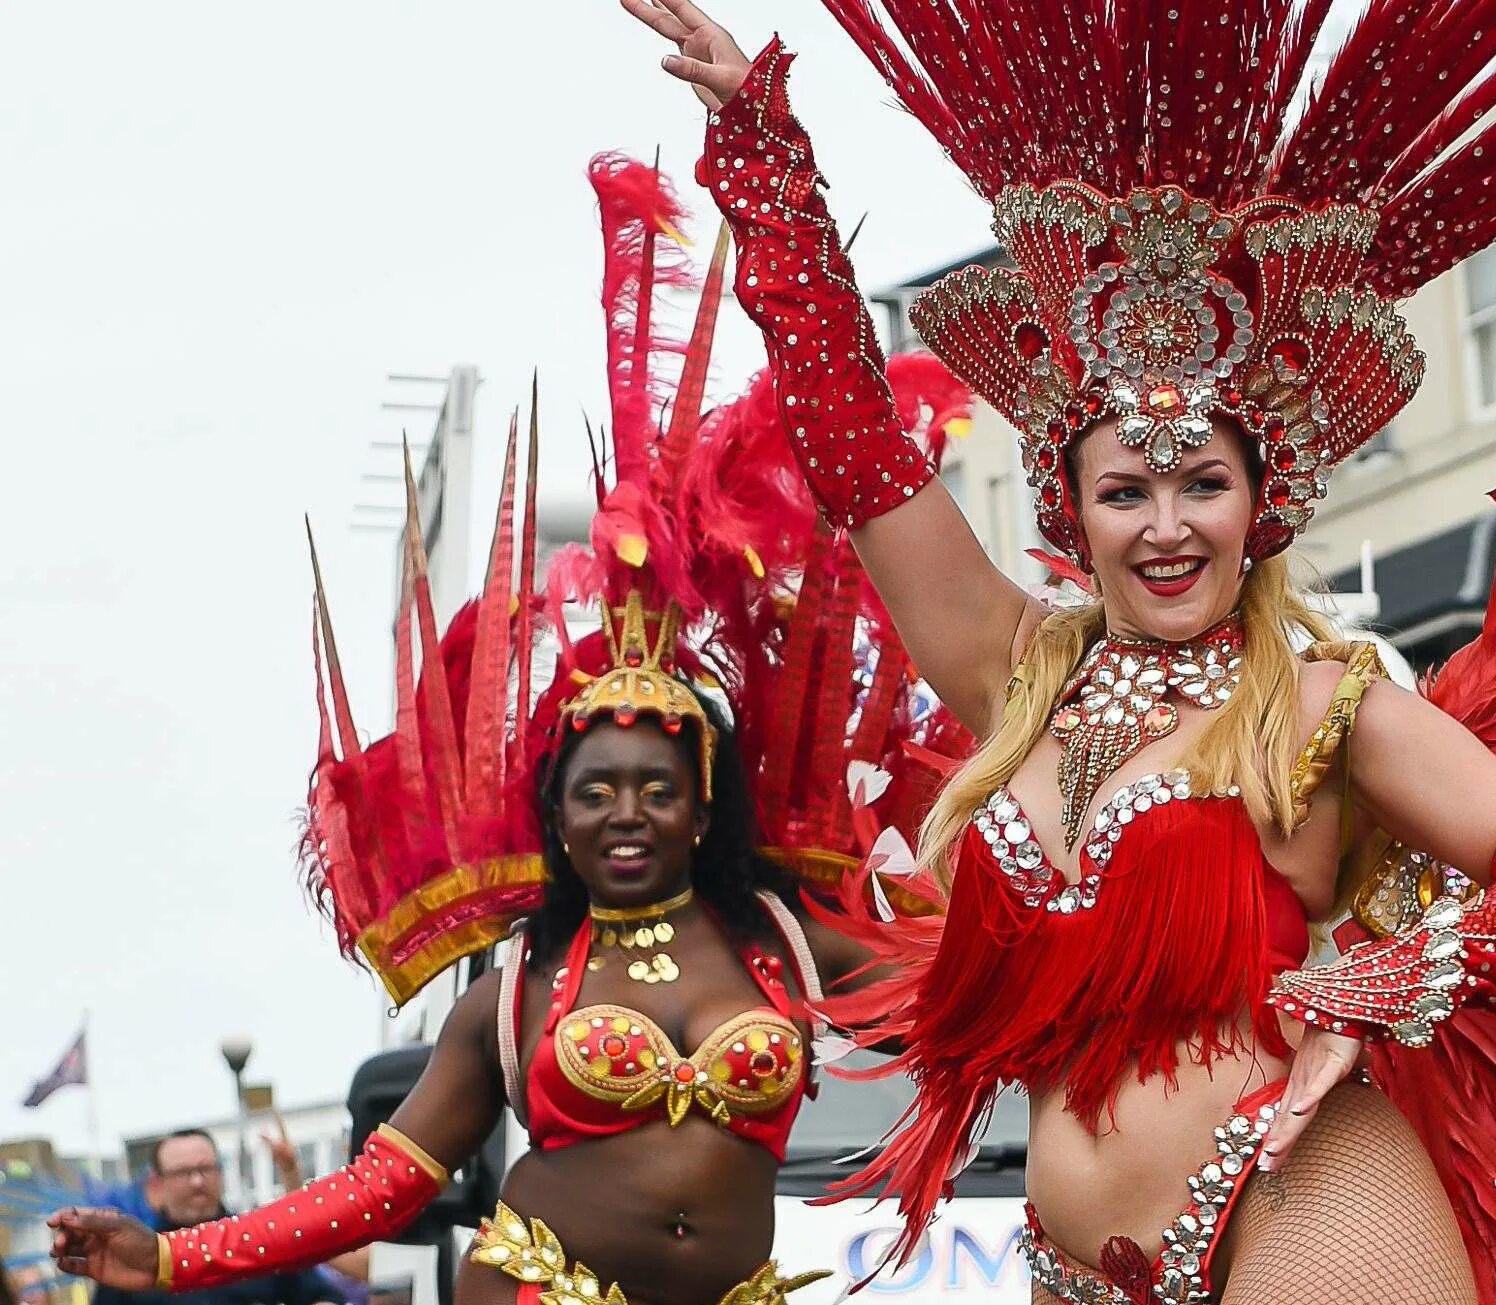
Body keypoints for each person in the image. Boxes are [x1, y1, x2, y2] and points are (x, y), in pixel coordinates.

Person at [623, 0, 1496, 1300]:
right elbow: (860, 456)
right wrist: (771, 171)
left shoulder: (1319, 706)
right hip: (1076, 1256)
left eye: (1201, 486)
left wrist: (1365, 989)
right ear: (1068, 507)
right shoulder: (1015, 672)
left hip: (1300, 1193)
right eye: (1126, 491)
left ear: (1259, 505)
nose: (1165, 526)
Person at [46, 155, 970, 1305]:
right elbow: (384, 1186)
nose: (627, 811)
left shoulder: (787, 940)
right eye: (595, 791)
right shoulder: (518, 989)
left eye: (655, 786)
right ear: (558, 821)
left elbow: (992, 996)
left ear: (703, 808)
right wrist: (180, 1253)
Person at [88, 1131, 344, 1305]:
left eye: (205, 1169)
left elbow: (323, 1296)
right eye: (183, 1172)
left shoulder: (260, 1239)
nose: (197, 1181)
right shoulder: (134, 1256)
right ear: (157, 1182)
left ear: (220, 1173)